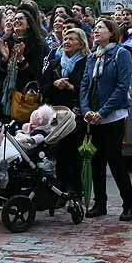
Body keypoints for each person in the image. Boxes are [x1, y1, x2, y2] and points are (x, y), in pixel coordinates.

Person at [79, 18, 132, 221]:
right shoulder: (92, 57)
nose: (96, 31)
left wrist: (102, 112)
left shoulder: (121, 54)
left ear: (111, 32)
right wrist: (86, 109)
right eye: (95, 28)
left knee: (115, 159)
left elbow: (122, 86)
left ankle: (129, 204)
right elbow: (85, 84)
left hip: (113, 115)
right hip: (93, 117)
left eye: (100, 28)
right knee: (96, 160)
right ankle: (99, 203)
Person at [41, 28, 89, 196]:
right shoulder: (54, 64)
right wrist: (54, 85)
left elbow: (86, 88)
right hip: (56, 114)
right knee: (59, 152)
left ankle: (75, 189)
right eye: (65, 38)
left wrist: (70, 86)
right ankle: (59, 189)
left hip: (75, 114)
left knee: (73, 154)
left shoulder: (86, 63)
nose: (67, 41)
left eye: (71, 39)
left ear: (81, 44)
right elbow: (44, 88)